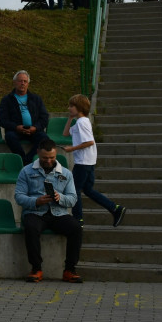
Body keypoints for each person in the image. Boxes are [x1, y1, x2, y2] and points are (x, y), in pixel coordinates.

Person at [14, 139, 83, 283]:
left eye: (52, 157)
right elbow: (19, 196)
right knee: (31, 227)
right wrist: (36, 201)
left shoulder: (66, 173)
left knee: (76, 228)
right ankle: (36, 268)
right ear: (38, 153)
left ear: (56, 154)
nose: (49, 160)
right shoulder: (26, 171)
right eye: (45, 158)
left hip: (59, 213)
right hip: (35, 212)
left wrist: (60, 198)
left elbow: (73, 199)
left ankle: (69, 270)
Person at [62, 94, 127, 227]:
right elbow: (65, 133)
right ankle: (115, 208)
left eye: (71, 106)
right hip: (88, 162)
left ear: (79, 107)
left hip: (83, 163)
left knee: (74, 190)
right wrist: (70, 118)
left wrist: (72, 148)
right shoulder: (81, 121)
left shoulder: (81, 123)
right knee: (88, 190)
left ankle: (78, 219)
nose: (69, 108)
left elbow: (90, 142)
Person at [0, 70, 49, 165]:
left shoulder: (36, 99)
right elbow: (3, 120)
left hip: (34, 130)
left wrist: (35, 128)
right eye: (20, 81)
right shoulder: (7, 100)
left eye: (25, 81)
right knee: (9, 137)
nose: (22, 83)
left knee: (45, 139)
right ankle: (21, 159)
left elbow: (44, 118)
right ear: (14, 82)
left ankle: (27, 160)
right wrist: (16, 127)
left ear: (28, 84)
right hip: (15, 131)